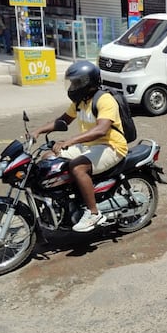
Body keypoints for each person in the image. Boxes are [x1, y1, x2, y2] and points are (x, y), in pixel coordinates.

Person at [32, 61, 128, 232]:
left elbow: (101, 129)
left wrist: (70, 141)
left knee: (77, 167)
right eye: (72, 82)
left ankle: (93, 213)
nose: (72, 86)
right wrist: (38, 130)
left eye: (76, 82)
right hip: (90, 146)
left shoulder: (105, 100)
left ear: (87, 83)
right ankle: (68, 201)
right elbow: (63, 120)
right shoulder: (80, 102)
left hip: (111, 146)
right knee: (49, 158)